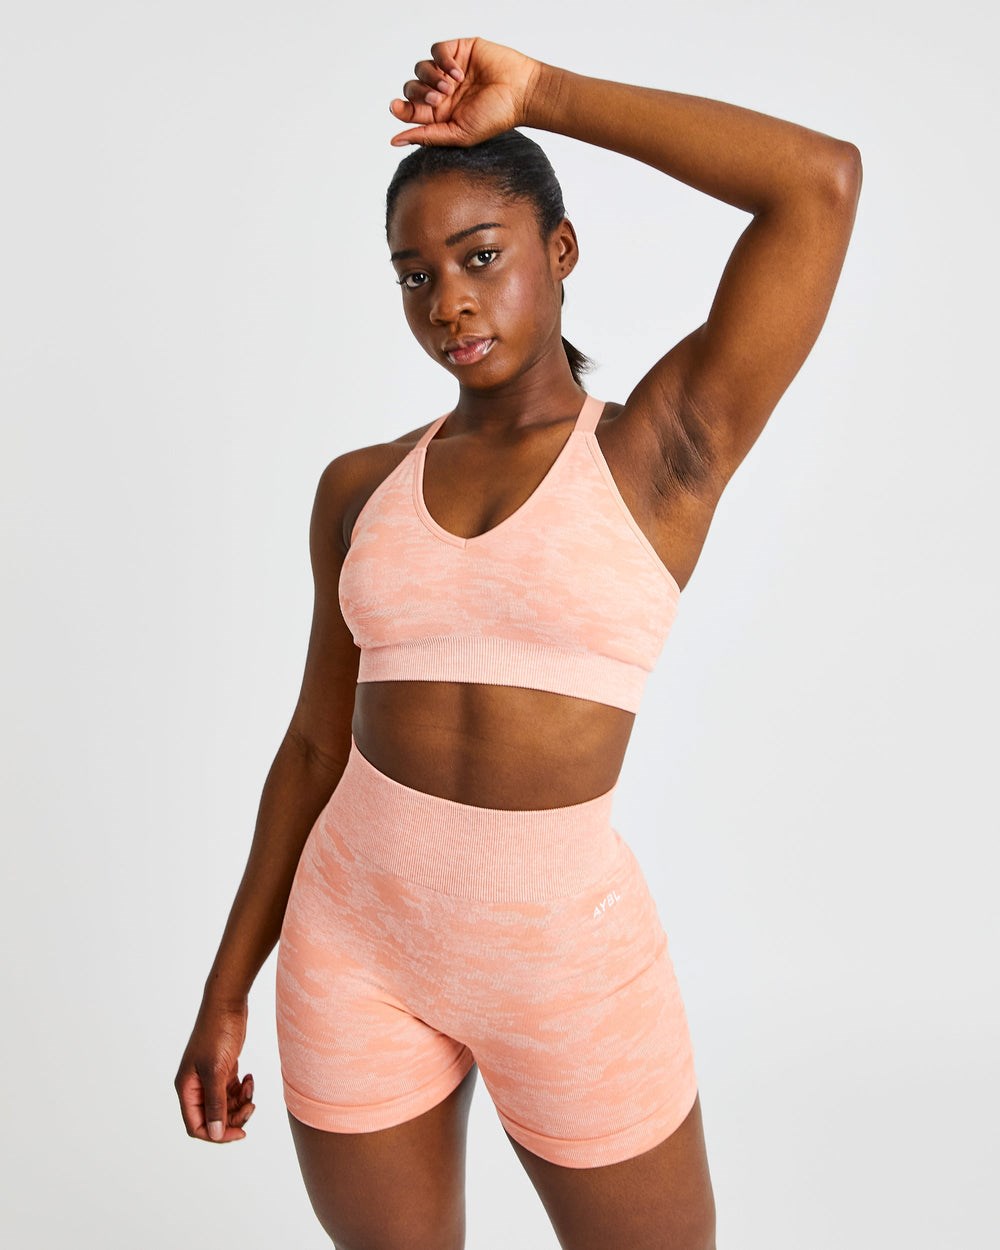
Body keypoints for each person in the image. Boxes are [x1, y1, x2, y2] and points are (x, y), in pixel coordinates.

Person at [175, 35, 861, 1250]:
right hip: (352, 945)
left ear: (561, 249)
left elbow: (817, 183)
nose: (447, 300)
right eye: (415, 273)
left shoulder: (656, 452)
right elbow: (314, 747)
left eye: (480, 255)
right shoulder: (357, 488)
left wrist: (543, 95)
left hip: (567, 964)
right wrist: (228, 985)